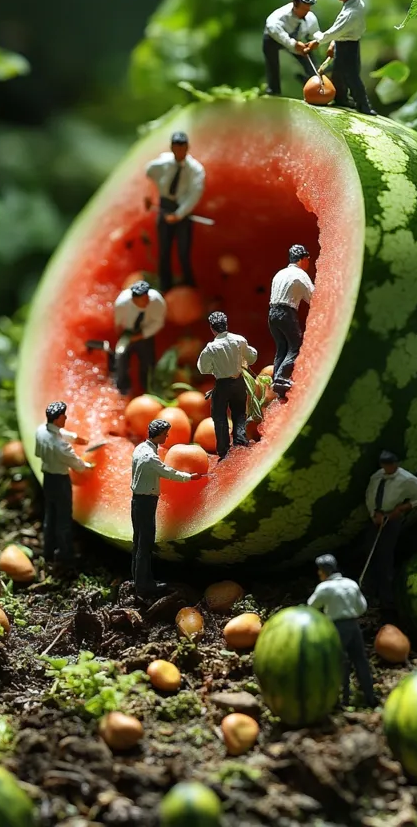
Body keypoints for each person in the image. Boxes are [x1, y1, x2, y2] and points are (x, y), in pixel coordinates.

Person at [131, 418, 204, 598]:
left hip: (136, 501)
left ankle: (138, 580)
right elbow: (168, 472)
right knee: (145, 544)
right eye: (165, 434)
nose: (167, 436)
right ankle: (144, 585)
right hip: (146, 502)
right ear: (158, 435)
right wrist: (189, 477)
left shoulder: (139, 448)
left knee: (138, 542)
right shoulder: (150, 457)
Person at [363, 450, 417, 614]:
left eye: (390, 465)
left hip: (391, 520)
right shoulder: (377, 477)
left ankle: (387, 600)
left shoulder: (405, 479)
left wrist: (405, 507)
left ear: (396, 464)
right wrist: (374, 514)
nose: (387, 468)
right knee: (369, 553)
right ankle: (368, 597)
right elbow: (369, 495)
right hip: (377, 519)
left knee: (385, 556)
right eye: (385, 465)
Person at [308, 553, 377, 708]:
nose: (318, 573)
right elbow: (362, 607)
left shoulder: (324, 588)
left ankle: (344, 699)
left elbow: (311, 606)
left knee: (340, 662)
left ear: (324, 571)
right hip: (354, 626)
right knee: (361, 661)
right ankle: (370, 697)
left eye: (319, 570)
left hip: (337, 628)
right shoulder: (351, 584)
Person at [34, 401, 94, 567]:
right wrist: (88, 467)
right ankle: (66, 555)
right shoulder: (62, 446)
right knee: (63, 518)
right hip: (60, 480)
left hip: (47, 477)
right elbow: (76, 463)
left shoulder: (40, 430)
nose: (66, 417)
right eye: (63, 416)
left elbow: (44, 447)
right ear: (57, 419)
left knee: (50, 514)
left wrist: (75, 438)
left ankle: (48, 551)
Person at [144, 131, 205, 293]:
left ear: (187, 147)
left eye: (182, 147)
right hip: (164, 207)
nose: (179, 151)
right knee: (164, 251)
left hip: (183, 210)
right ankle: (165, 286)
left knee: (183, 252)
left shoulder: (195, 170)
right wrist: (150, 196)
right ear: (171, 147)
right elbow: (148, 172)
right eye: (176, 147)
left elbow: (194, 195)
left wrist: (179, 214)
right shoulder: (163, 162)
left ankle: (189, 286)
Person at [307, 0, 376, 115]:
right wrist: (334, 43)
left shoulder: (350, 13)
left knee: (351, 76)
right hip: (344, 42)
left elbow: (336, 31)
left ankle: (363, 105)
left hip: (348, 45)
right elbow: (341, 31)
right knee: (338, 74)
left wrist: (318, 40)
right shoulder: (355, 3)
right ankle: (340, 98)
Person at [197, 312, 258, 461]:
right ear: (226, 325)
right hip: (238, 382)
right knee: (239, 413)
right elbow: (252, 357)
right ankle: (241, 442)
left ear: (212, 329)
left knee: (219, 417)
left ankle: (224, 451)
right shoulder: (239, 340)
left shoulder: (210, 348)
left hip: (222, 384)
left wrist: (215, 369)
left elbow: (202, 368)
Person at [269, 244, 314, 397]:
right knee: (296, 346)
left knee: (282, 347)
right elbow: (314, 298)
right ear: (303, 259)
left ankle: (276, 381)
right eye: (308, 260)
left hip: (272, 313)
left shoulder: (279, 273)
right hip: (286, 312)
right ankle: (281, 379)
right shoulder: (300, 275)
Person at [113, 280, 166, 395]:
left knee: (148, 361)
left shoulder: (157, 301)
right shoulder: (121, 304)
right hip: (127, 333)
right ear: (134, 299)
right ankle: (122, 388)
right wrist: (123, 338)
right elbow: (118, 323)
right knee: (121, 359)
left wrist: (141, 336)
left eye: (147, 297)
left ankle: (147, 387)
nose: (147, 301)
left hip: (145, 333)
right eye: (143, 299)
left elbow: (158, 323)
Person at [263, 0, 320, 96]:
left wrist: (317, 41)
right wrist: (292, 44)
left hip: (299, 41)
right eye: (303, 8)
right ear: (295, 4)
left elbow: (315, 32)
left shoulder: (310, 17)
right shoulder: (279, 16)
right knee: (272, 64)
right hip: (273, 39)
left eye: (308, 8)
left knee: (312, 64)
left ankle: (315, 87)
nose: (306, 11)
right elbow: (273, 28)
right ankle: (273, 90)